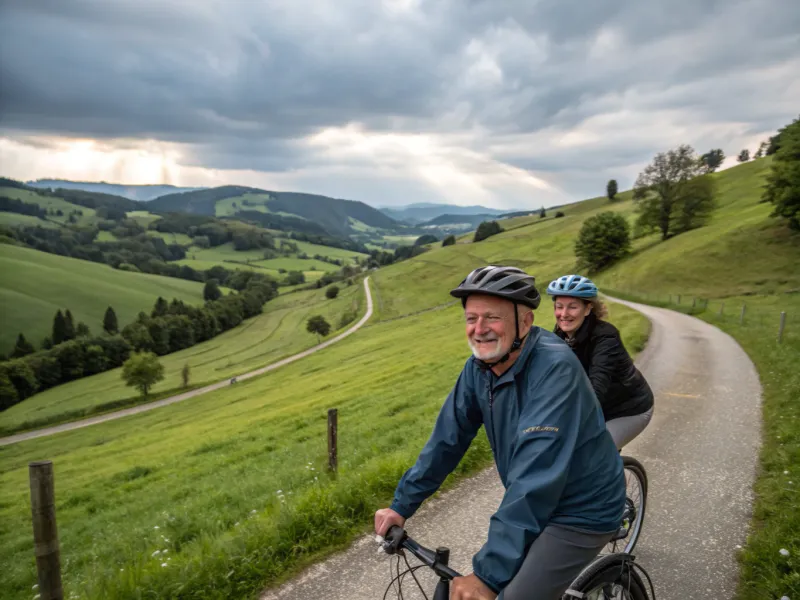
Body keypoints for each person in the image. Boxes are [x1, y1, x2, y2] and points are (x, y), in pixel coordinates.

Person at [374, 265, 626, 600]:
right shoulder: (478, 369)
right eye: (470, 318)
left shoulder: (555, 369)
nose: (479, 330)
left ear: (525, 322)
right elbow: (447, 441)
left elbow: (535, 476)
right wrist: (402, 504)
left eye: (492, 317)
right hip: (541, 503)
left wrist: (486, 576)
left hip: (581, 509)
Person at [546, 274, 654, 450]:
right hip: (598, 409)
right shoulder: (560, 334)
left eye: (572, 307)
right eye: (559, 307)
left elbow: (597, 388)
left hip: (628, 410)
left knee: (595, 455)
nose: (564, 314)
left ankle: (612, 476)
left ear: (588, 309)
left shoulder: (606, 337)